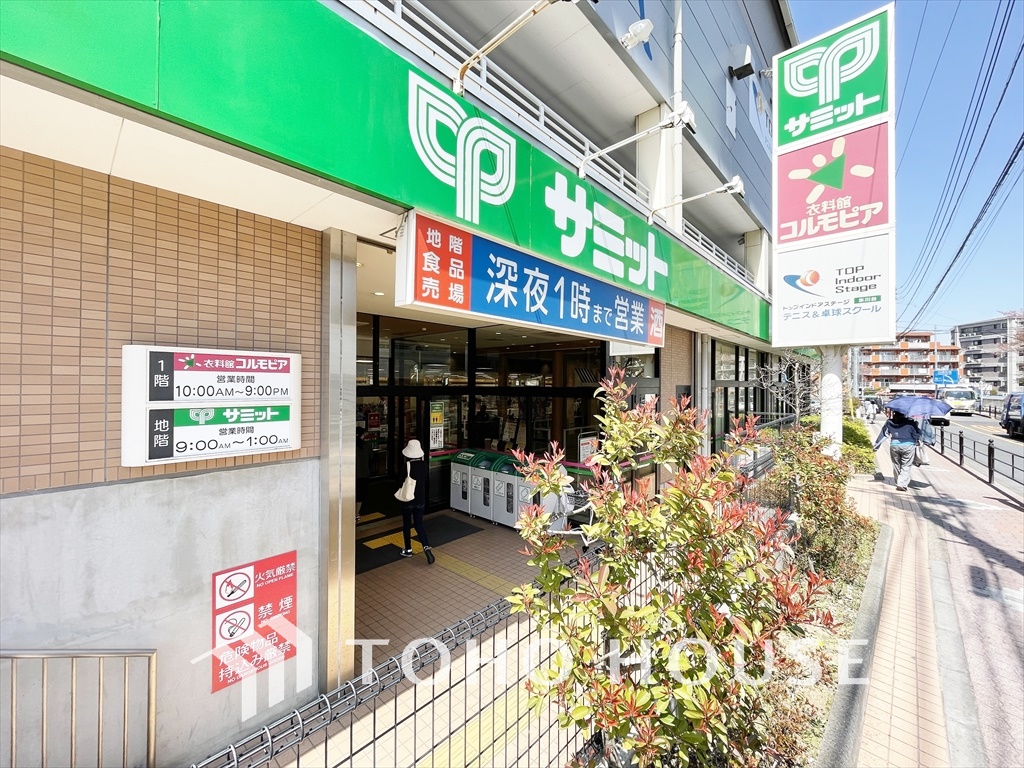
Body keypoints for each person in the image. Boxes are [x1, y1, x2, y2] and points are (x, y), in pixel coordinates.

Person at [398, 439, 434, 564]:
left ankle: (408, 549)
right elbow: (426, 481)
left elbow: (400, 482)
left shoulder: (406, 466)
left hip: (407, 500)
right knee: (419, 524)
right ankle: (426, 547)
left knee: (407, 524)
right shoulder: (424, 465)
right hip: (420, 499)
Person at [873, 410, 922, 491]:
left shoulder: (889, 422)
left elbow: (884, 435)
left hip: (894, 446)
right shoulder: (910, 423)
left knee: (896, 464)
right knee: (906, 465)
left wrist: (875, 447)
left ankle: (898, 481)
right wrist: (916, 426)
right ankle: (901, 484)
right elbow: (917, 435)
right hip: (908, 446)